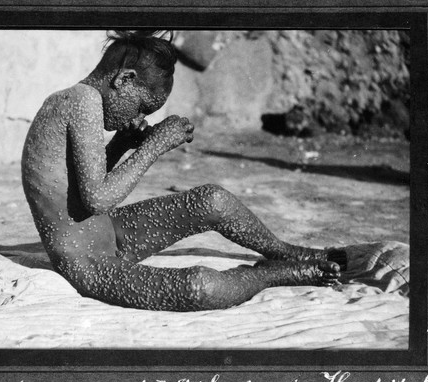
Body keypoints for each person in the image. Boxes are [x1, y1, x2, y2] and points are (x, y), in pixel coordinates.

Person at [22, 30, 346, 312]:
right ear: (125, 79)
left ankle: (287, 252)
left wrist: (122, 144)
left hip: (110, 232)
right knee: (197, 287)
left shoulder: (79, 100)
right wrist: (154, 146)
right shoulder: (82, 103)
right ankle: (271, 273)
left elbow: (79, 186)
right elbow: (96, 200)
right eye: (141, 106)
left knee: (212, 200)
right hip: (89, 265)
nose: (135, 116)